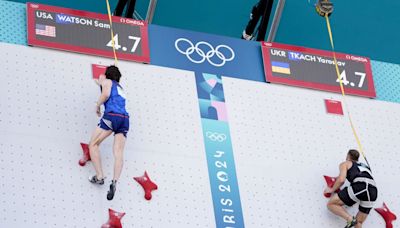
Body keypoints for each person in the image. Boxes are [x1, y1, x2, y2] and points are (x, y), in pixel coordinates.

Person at [88, 65, 129, 201]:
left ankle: (99, 176)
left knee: (93, 144)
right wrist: (100, 81)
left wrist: (97, 105)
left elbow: (105, 94)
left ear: (107, 75)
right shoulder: (120, 88)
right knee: (118, 153)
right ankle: (114, 181)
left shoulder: (107, 82)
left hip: (112, 116)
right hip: (124, 119)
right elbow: (102, 85)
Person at [324, 150, 378, 228]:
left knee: (331, 204)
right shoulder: (365, 166)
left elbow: (341, 180)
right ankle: (354, 222)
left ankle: (350, 220)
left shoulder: (345, 163)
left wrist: (331, 190)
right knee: (359, 222)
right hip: (373, 191)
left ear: (348, 156)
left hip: (361, 186)